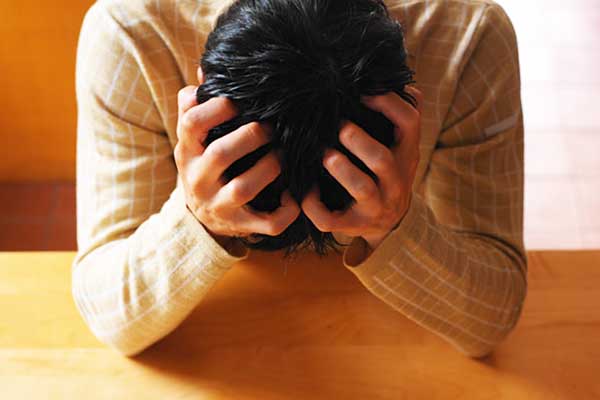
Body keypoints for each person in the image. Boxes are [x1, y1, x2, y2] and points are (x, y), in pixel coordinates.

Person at [72, 0, 527, 358]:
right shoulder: (132, 33)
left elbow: (492, 318)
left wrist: (396, 223)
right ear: (203, 84)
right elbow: (109, 312)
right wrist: (199, 220)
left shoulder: (468, 36)